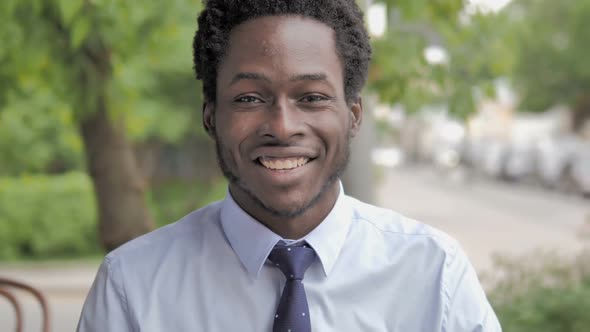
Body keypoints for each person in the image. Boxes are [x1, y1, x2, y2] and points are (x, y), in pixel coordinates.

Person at [77, 0, 502, 331]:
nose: (282, 127)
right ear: (211, 116)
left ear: (353, 115)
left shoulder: (434, 275)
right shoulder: (132, 287)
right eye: (249, 98)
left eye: (312, 97)